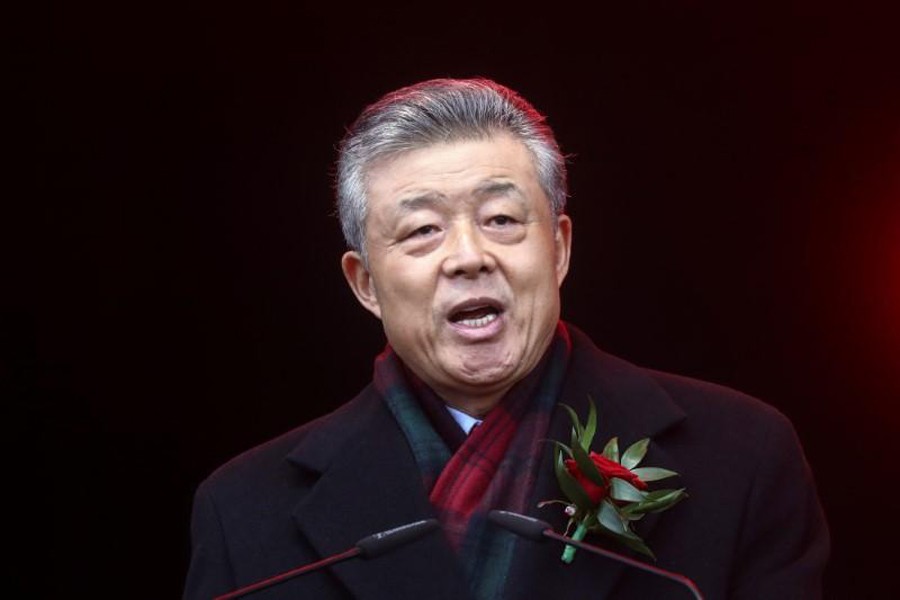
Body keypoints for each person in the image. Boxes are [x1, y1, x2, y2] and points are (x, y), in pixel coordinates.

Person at [183, 78, 829, 599]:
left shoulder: (741, 459)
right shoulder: (245, 512)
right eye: (421, 231)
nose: (468, 256)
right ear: (366, 284)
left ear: (559, 248)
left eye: (500, 219)